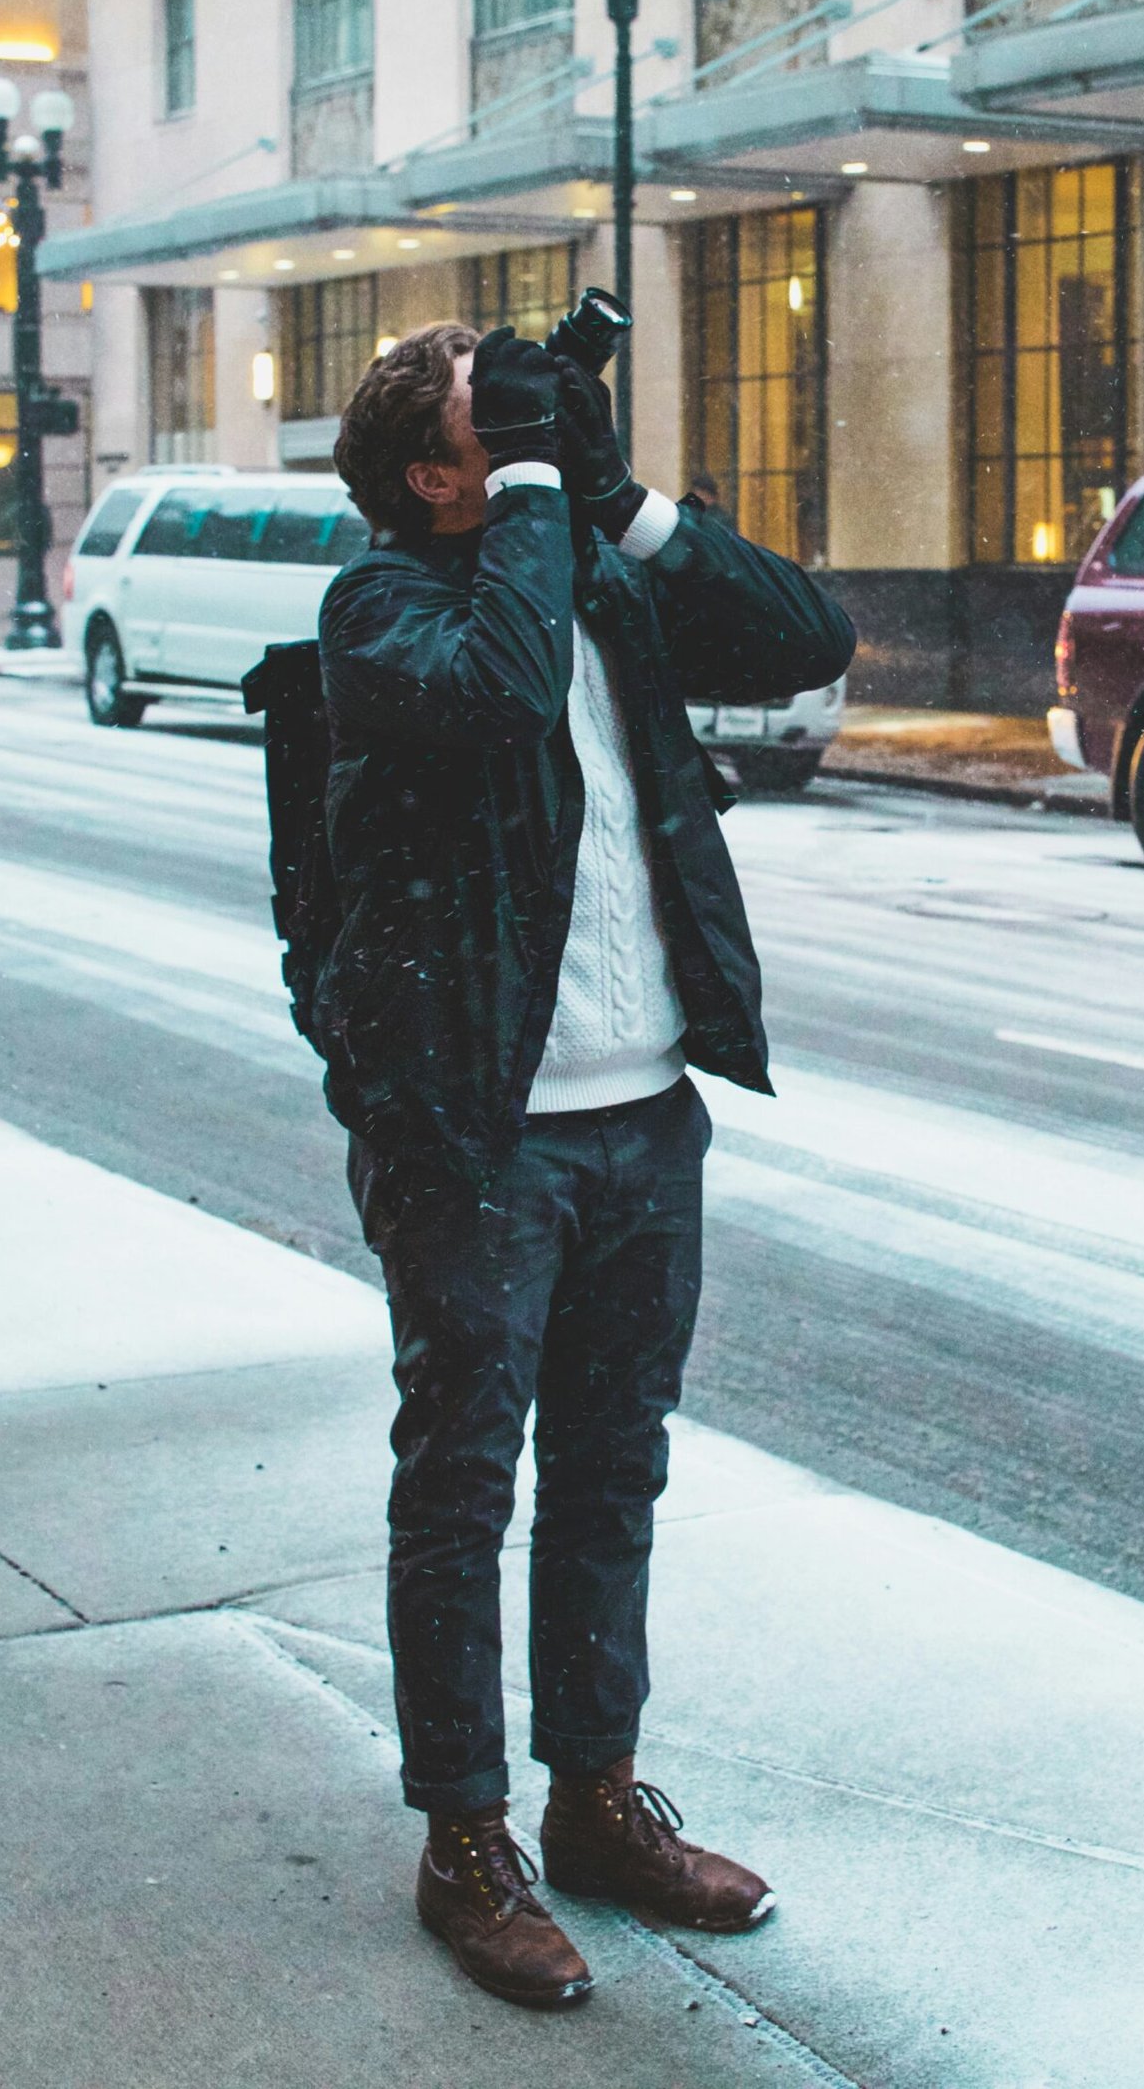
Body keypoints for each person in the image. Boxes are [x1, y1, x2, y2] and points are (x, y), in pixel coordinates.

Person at [318, 319, 856, 2011]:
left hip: (642, 1118)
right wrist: (543, 491)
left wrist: (614, 493)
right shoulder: (386, 609)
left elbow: (802, 635)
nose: (537, 433)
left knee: (612, 1477)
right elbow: (492, 696)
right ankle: (466, 1839)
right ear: (436, 477)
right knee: (463, 1490)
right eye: (502, 419)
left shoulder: (587, 569)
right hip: (482, 1136)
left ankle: (597, 1799)